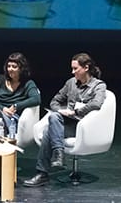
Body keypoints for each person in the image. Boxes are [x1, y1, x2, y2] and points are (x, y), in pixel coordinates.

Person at [23, 53, 106, 187]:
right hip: (68, 122)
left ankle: (43, 173)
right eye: (72, 68)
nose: (73, 72)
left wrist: (76, 112)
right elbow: (54, 101)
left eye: (75, 69)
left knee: (48, 132)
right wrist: (61, 110)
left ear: (86, 68)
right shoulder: (71, 83)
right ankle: (58, 154)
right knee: (54, 116)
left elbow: (96, 104)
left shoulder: (98, 85)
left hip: (84, 126)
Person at [0, 52, 41, 138]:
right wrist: (3, 109)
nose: (10, 69)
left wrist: (16, 106)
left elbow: (36, 99)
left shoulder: (28, 83)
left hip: (12, 119)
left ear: (21, 69)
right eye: (9, 66)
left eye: (14, 67)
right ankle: (1, 138)